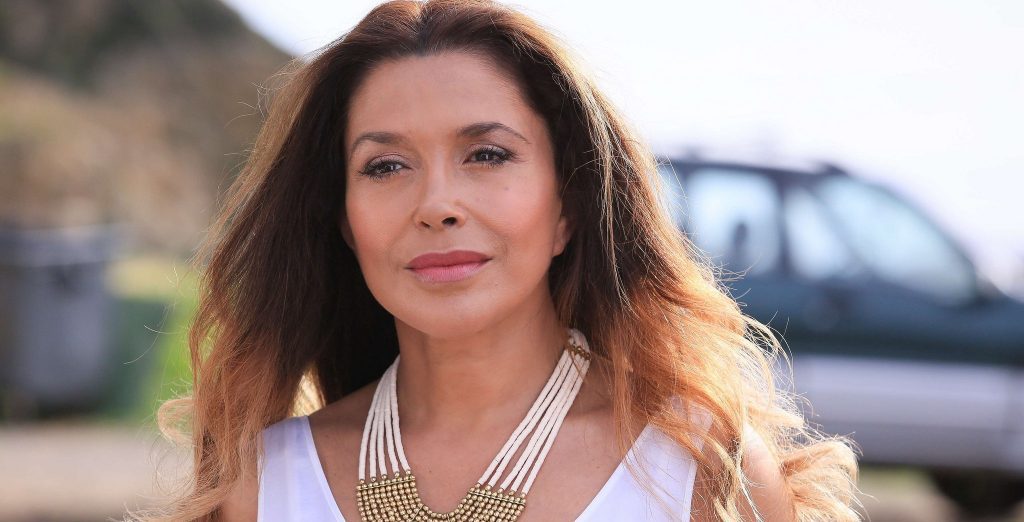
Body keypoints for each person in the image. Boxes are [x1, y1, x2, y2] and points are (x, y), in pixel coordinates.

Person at [135, 0, 859, 520]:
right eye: (386, 166)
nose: (437, 204)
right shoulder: (266, 487)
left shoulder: (699, 472)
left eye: (487, 155)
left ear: (569, 204)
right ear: (344, 224)